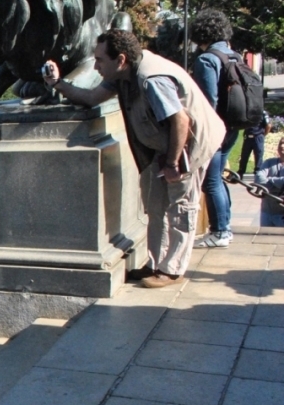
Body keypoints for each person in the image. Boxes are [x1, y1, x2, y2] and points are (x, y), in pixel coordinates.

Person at [44, 29, 225, 288]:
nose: (95, 67)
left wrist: (173, 163)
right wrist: (57, 83)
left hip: (189, 146)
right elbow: (91, 98)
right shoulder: (122, 75)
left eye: (100, 60)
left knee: (181, 206)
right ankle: (156, 263)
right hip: (164, 147)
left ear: (121, 59)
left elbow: (181, 121)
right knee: (156, 205)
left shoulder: (152, 80)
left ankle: (172, 270)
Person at [189, 10, 241, 249]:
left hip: (215, 127)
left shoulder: (206, 60)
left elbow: (207, 101)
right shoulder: (234, 55)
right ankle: (224, 227)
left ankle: (220, 231)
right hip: (233, 125)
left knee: (210, 181)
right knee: (217, 177)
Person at [255, 138, 284, 227]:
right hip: (266, 212)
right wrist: (279, 184)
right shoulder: (269, 162)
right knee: (264, 235)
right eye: (280, 143)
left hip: (282, 214)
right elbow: (259, 179)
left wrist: (269, 181)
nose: (282, 146)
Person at [240, 112, 271, 179]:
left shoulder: (263, 113)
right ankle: (241, 172)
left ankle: (258, 173)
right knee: (244, 155)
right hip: (248, 137)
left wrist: (263, 135)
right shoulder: (248, 111)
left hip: (258, 137)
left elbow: (268, 125)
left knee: (258, 155)